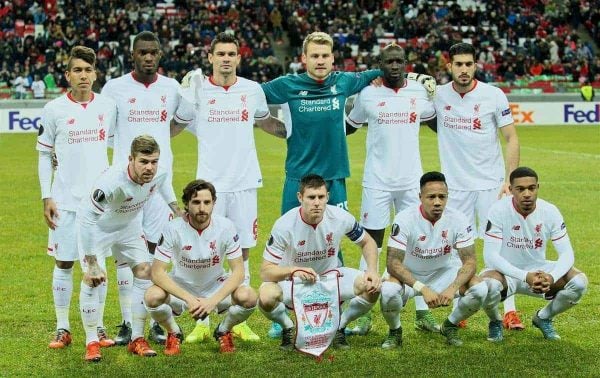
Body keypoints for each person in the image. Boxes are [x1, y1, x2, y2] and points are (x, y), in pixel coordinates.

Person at [171, 32, 285, 344]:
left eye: (231, 53)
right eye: (219, 53)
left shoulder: (252, 90)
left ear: (238, 57)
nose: (225, 58)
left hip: (245, 182)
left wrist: (302, 133)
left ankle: (237, 318)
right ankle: (202, 320)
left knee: (243, 248)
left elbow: (267, 123)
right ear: (210, 58)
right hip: (209, 187)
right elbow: (176, 127)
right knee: (208, 250)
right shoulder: (197, 90)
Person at [346, 43, 436, 335]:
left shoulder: (419, 92)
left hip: (412, 182)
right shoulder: (368, 93)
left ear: (406, 63)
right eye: (389, 61)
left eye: (399, 61)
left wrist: (438, 95)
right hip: (377, 181)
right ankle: (364, 311)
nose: (394, 65)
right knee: (371, 243)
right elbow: (350, 125)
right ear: (380, 64)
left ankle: (423, 310)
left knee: (417, 243)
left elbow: (438, 124)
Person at [431, 42, 522, 330]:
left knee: (501, 248)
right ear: (450, 66)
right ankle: (461, 304)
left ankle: (510, 309)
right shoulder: (437, 96)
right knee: (459, 249)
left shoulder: (493, 95)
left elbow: (511, 138)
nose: (464, 69)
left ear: (475, 65)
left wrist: (510, 179)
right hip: (455, 189)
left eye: (468, 64)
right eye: (458, 64)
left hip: (490, 185)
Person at [102, 31, 180, 345]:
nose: (148, 57)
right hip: (126, 186)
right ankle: (126, 322)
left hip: (161, 184)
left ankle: (157, 318)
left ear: (160, 54)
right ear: (133, 54)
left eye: (153, 52)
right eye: (142, 52)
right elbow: (106, 132)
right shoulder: (114, 88)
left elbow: (181, 121)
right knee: (126, 256)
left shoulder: (172, 88)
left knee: (157, 253)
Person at [37, 46, 117, 352]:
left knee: (99, 264)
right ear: (67, 75)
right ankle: (63, 328)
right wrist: (47, 196)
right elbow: (45, 156)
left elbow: (117, 147)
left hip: (99, 204)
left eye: (88, 70)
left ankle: (97, 326)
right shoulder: (54, 109)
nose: (83, 76)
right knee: (64, 262)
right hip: (65, 201)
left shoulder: (107, 107)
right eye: (77, 71)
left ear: (96, 74)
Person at [77, 135, 181, 361]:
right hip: (97, 229)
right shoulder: (112, 183)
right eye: (143, 161)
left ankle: (137, 338)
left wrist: (177, 209)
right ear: (130, 159)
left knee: (144, 272)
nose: (150, 167)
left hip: (129, 228)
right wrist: (92, 263)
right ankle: (92, 342)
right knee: (93, 279)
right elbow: (86, 221)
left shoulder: (159, 172)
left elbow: (163, 183)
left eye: (154, 161)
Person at [258, 174, 381, 350]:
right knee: (266, 296)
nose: (317, 202)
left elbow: (367, 241)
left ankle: (340, 327)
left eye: (321, 197)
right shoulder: (284, 225)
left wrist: (372, 270)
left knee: (372, 287)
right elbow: (265, 271)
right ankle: (288, 328)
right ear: (300, 198)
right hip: (294, 282)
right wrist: (293, 271)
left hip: (329, 278)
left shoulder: (340, 217)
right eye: (311, 197)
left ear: (327, 197)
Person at [145, 179, 258, 354]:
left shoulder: (226, 227)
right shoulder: (172, 228)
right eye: (196, 202)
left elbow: (238, 272)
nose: (202, 208)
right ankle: (174, 332)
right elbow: (157, 273)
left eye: (207, 202)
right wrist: (189, 299)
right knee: (152, 296)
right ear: (187, 204)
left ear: (214, 203)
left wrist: (213, 301)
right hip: (182, 285)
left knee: (249, 296)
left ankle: (224, 330)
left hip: (215, 285)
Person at [381, 172, 489, 348]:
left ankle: (450, 325)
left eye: (442, 197)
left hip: (443, 273)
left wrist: (452, 288)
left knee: (480, 288)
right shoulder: (405, 219)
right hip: (409, 276)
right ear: (420, 197)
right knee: (388, 291)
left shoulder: (459, 219)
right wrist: (422, 289)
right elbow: (393, 263)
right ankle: (395, 331)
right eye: (431, 197)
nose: (437, 202)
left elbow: (470, 262)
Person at [481, 167, 588, 342]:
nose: (527, 194)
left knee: (579, 282)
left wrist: (552, 277)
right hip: (508, 275)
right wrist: (524, 276)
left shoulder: (550, 211)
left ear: (538, 187)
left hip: (539, 272)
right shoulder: (498, 210)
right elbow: (490, 256)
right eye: (520, 189)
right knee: (488, 285)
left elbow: (567, 253)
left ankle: (543, 317)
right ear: (511, 190)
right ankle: (495, 321)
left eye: (532, 188)